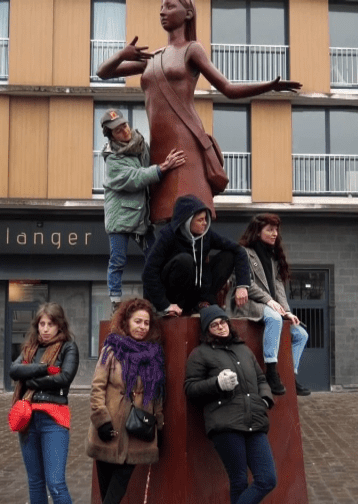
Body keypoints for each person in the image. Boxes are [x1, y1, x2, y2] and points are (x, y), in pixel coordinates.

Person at [95, 0, 301, 223]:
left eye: (170, 6)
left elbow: (228, 89)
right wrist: (121, 54)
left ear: (188, 14)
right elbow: (103, 73)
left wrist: (268, 86)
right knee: (164, 215)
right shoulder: (153, 58)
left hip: (185, 143)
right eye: (161, 7)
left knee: (189, 212)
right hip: (159, 148)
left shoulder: (192, 50)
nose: (163, 12)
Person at [184, 305, 276, 504]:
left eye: (223, 322)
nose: (221, 327)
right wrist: (216, 384)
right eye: (214, 325)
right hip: (224, 423)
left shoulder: (244, 350)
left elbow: (261, 379)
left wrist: (265, 399)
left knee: (267, 478)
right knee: (239, 481)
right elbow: (190, 389)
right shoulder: (200, 354)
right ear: (207, 331)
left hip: (254, 420)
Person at [85, 298, 166, 504]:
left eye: (146, 323)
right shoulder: (112, 348)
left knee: (121, 478)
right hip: (109, 422)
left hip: (137, 427)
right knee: (106, 478)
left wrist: (159, 423)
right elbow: (97, 386)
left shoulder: (154, 354)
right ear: (126, 322)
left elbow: (157, 393)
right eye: (137, 321)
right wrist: (101, 419)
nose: (142, 327)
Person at [9, 302, 82, 504]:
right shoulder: (30, 348)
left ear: (60, 325)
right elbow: (14, 370)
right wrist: (43, 369)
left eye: (51, 324)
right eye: (42, 324)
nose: (46, 329)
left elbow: (64, 379)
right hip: (28, 419)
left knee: (56, 482)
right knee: (35, 482)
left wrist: (29, 377)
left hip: (54, 420)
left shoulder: (68, 347)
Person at [100, 109, 187, 310]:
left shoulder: (140, 145)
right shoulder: (112, 161)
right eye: (118, 130)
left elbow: (152, 162)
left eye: (124, 125)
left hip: (140, 216)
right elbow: (135, 178)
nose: (124, 131)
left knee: (155, 256)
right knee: (118, 260)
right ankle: (115, 303)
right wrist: (162, 168)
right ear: (111, 136)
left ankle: (156, 300)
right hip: (120, 219)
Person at [227, 214, 310, 396]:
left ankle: (290, 377)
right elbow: (246, 284)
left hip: (270, 305)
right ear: (258, 232)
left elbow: (279, 287)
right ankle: (271, 372)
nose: (275, 234)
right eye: (270, 230)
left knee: (301, 334)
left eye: (276, 230)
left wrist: (287, 311)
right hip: (249, 304)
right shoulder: (243, 253)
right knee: (274, 318)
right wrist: (268, 300)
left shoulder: (273, 258)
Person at [142, 194, 251, 317]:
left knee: (229, 255)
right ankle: (177, 306)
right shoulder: (168, 235)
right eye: (200, 220)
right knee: (185, 260)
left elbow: (239, 250)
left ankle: (203, 302)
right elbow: (149, 273)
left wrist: (242, 285)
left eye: (205, 219)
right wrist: (164, 305)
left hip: (197, 293)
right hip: (172, 295)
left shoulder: (206, 235)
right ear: (187, 221)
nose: (205, 223)